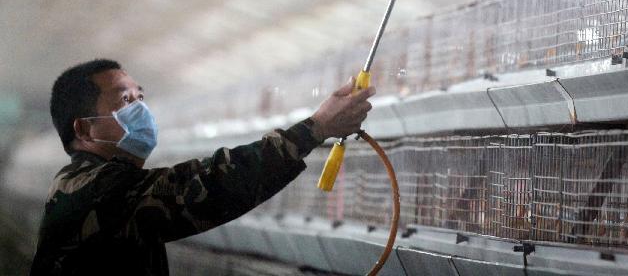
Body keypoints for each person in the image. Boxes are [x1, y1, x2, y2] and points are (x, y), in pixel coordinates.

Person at [30, 58, 374, 276]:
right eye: (124, 100)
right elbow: (204, 187)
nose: (140, 109)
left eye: (140, 97)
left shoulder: (96, 182)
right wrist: (315, 129)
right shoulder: (92, 190)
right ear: (85, 129)